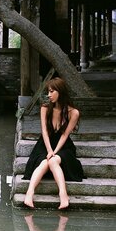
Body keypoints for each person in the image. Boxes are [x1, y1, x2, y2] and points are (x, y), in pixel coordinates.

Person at [22, 77, 85, 209]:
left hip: (63, 146)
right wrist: (49, 151)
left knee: (53, 160)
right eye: (48, 92)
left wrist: (54, 152)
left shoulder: (73, 113)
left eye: (52, 91)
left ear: (60, 92)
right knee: (45, 161)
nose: (49, 95)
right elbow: (44, 132)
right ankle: (29, 193)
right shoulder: (45, 108)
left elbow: (64, 135)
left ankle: (63, 196)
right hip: (45, 144)